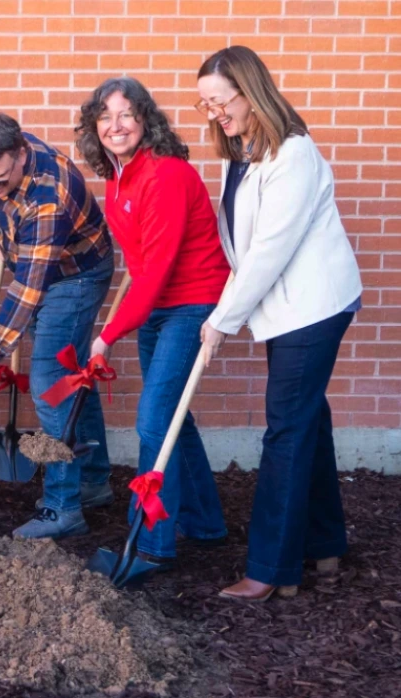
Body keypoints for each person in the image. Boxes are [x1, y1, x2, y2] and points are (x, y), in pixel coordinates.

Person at [196, 47, 363, 601]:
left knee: (285, 430)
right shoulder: (241, 153)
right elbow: (242, 247)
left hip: (313, 308)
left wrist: (222, 320)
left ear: (250, 90)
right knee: (307, 421)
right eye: (206, 105)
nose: (215, 112)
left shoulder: (294, 155)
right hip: (287, 309)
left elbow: (269, 251)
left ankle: (270, 570)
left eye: (221, 101)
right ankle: (325, 547)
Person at [77, 77, 230, 571]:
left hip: (192, 305)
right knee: (170, 419)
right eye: (105, 117)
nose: (115, 126)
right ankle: (206, 523)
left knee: (152, 420)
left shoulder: (164, 175)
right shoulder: (119, 175)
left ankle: (152, 545)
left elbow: (159, 269)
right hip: (159, 306)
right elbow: (142, 266)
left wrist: (105, 335)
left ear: (145, 120)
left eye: (125, 115)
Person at [0, 112, 115, 539]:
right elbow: (3, 203)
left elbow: (29, 289)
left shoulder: (49, 196)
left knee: (51, 387)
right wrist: (0, 228)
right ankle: (93, 480)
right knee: (71, 377)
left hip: (76, 274)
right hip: (46, 261)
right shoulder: (5, 155)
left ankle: (63, 506)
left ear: (21, 155)